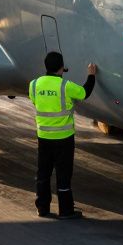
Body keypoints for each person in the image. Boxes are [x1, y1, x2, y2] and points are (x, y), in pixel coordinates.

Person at [28, 51, 97, 220]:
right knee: (63, 175)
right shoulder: (65, 86)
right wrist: (91, 75)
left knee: (43, 173)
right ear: (61, 68)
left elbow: (35, 101)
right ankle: (65, 211)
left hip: (44, 137)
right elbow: (84, 93)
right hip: (64, 139)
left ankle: (42, 208)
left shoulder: (34, 84)